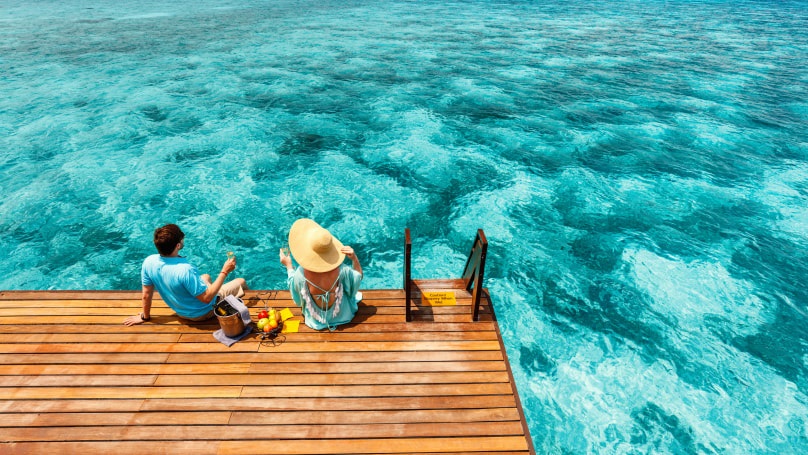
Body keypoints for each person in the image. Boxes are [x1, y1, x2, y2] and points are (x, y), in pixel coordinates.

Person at [123, 224, 248, 326]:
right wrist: (225, 271)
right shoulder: (185, 270)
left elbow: (146, 294)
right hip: (202, 313)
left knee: (205, 277)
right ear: (178, 245)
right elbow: (207, 299)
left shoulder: (149, 262)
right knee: (241, 281)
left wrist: (145, 317)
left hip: (181, 311)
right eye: (181, 238)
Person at [280, 218, 363, 331]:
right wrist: (355, 259)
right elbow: (358, 278)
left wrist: (289, 266)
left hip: (315, 322)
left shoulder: (301, 274)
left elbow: (298, 301)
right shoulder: (342, 270)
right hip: (345, 317)